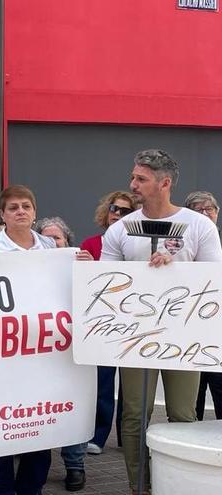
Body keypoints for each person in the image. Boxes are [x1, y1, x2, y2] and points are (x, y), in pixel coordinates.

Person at [102, 150, 222, 494]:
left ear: (164, 183)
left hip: (186, 335)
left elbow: (213, 279)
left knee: (184, 414)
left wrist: (177, 268)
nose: (132, 184)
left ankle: (180, 484)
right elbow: (108, 280)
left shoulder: (199, 225)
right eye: (133, 176)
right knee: (134, 414)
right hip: (135, 333)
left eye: (141, 178)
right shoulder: (122, 229)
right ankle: (139, 485)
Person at [0, 185, 57, 495]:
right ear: (2, 214)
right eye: (14, 207)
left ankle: (32, 489)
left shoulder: (50, 247)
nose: (21, 211)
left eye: (26, 206)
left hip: (40, 354)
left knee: (39, 424)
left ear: (34, 212)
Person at [77, 191, 137, 457]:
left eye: (126, 211)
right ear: (107, 211)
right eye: (115, 209)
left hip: (134, 322)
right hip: (102, 323)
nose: (119, 215)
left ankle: (128, 437)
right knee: (102, 382)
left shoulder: (140, 245)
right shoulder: (90, 244)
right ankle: (98, 436)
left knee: (132, 387)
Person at [36, 216, 90, 491]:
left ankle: (75, 465)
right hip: (38, 353)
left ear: (68, 242)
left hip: (71, 349)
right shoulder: (29, 270)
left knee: (72, 406)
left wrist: (90, 271)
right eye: (46, 238)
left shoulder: (82, 264)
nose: (52, 243)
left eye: (57, 238)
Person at [184, 191, 222, 422]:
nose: (207, 214)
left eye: (211, 209)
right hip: (191, 331)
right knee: (191, 396)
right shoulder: (182, 246)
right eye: (199, 210)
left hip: (219, 332)